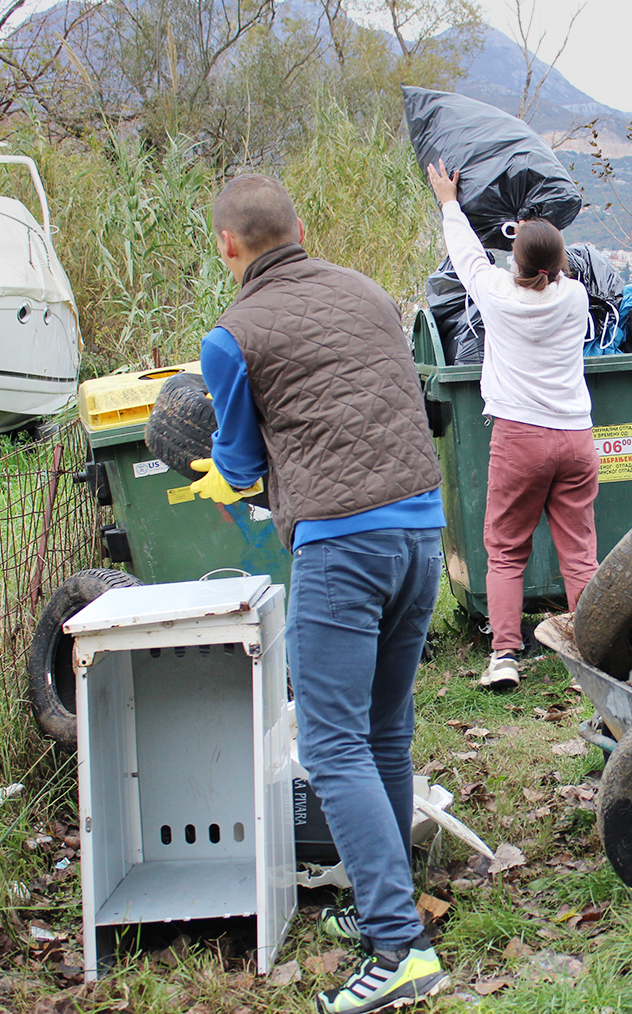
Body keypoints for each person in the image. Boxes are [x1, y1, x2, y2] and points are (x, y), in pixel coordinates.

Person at [190, 174, 448, 1013]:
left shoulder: (230, 337)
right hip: (421, 533)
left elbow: (236, 463)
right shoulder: (371, 293)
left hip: (343, 547)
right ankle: (389, 902)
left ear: (227, 246)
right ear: (299, 228)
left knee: (334, 743)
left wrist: (224, 480)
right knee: (385, 730)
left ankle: (399, 949)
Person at [426, 160, 599, 691]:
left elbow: (468, 257)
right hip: (574, 439)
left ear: (514, 261)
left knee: (505, 548)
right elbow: (553, 269)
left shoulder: (497, 296)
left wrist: (450, 202)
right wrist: (539, 235)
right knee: (580, 552)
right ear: (561, 264)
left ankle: (504, 655)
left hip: (520, 438)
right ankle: (590, 657)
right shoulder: (574, 299)